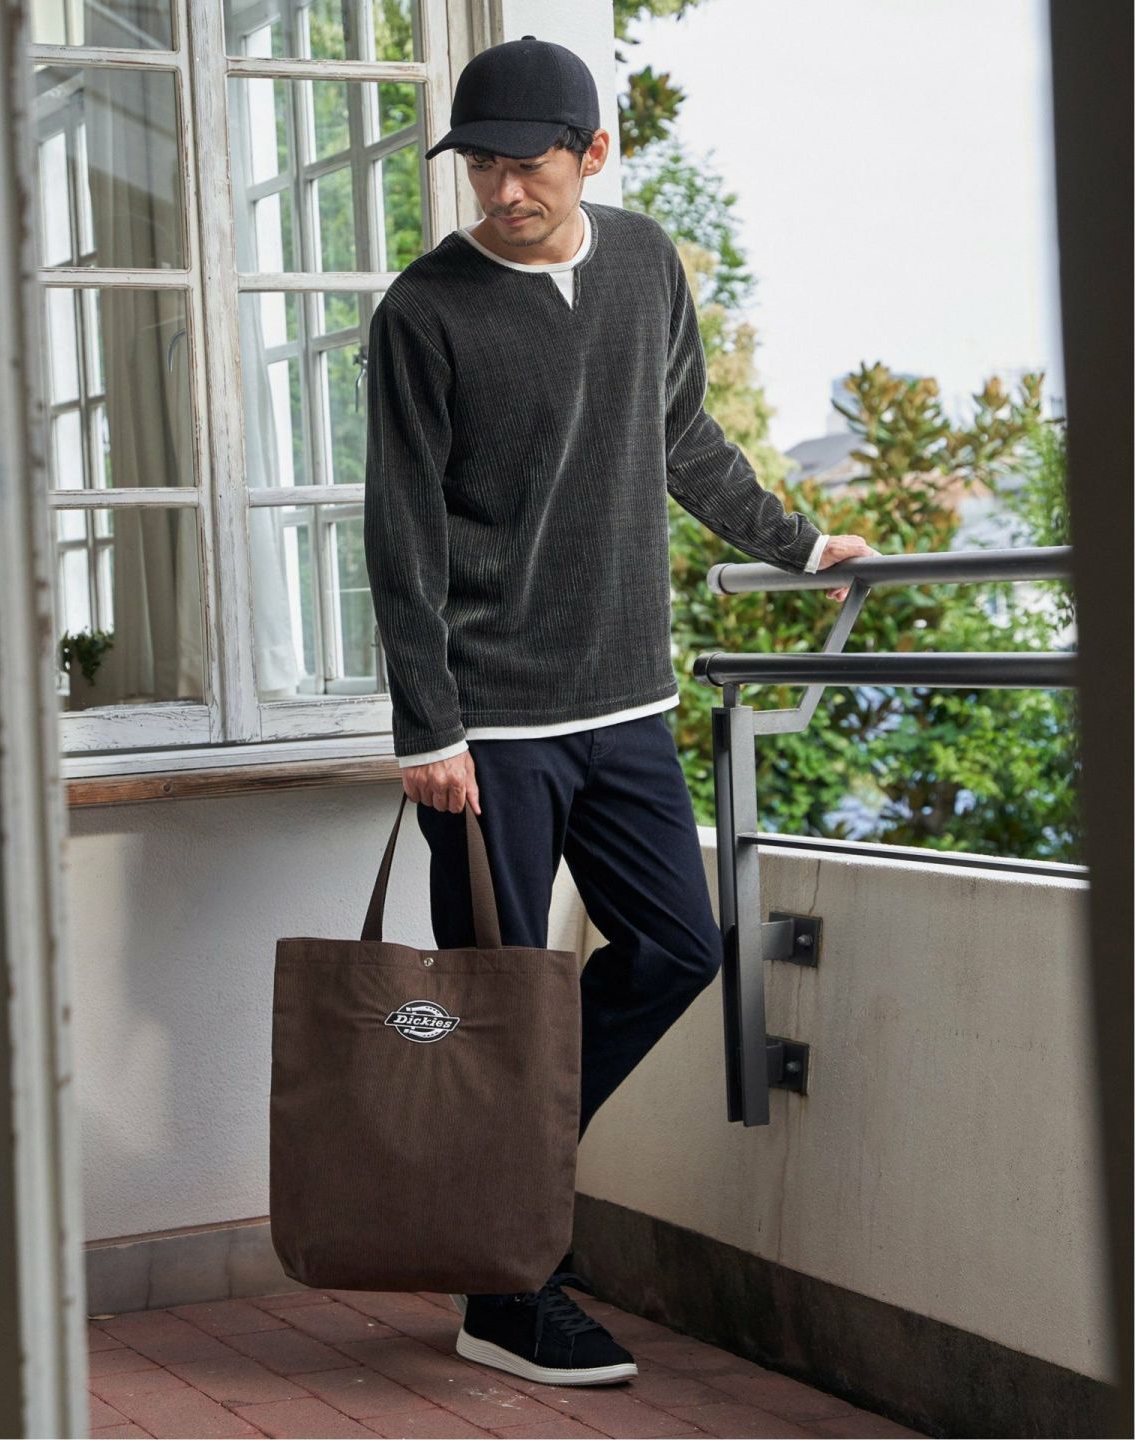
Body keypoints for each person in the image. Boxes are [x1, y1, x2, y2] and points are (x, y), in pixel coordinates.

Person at [363, 34, 877, 1389]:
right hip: (490, 729)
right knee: (496, 1003)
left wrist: (794, 542)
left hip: (627, 701)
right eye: (479, 167)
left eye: (523, 165)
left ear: (593, 154)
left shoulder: (646, 262)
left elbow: (683, 434)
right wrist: (429, 727)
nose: (500, 191)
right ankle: (504, 1291)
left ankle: (505, 1189)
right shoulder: (423, 311)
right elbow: (401, 531)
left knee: (675, 947)